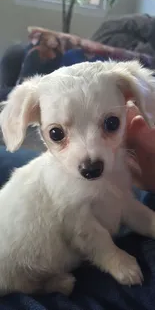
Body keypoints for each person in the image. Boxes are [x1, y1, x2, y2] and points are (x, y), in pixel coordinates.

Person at [0, 104, 155, 310]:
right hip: (14, 266)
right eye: (57, 133)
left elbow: (126, 206)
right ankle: (40, 286)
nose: (89, 155)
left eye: (110, 124)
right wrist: (112, 257)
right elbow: (81, 228)